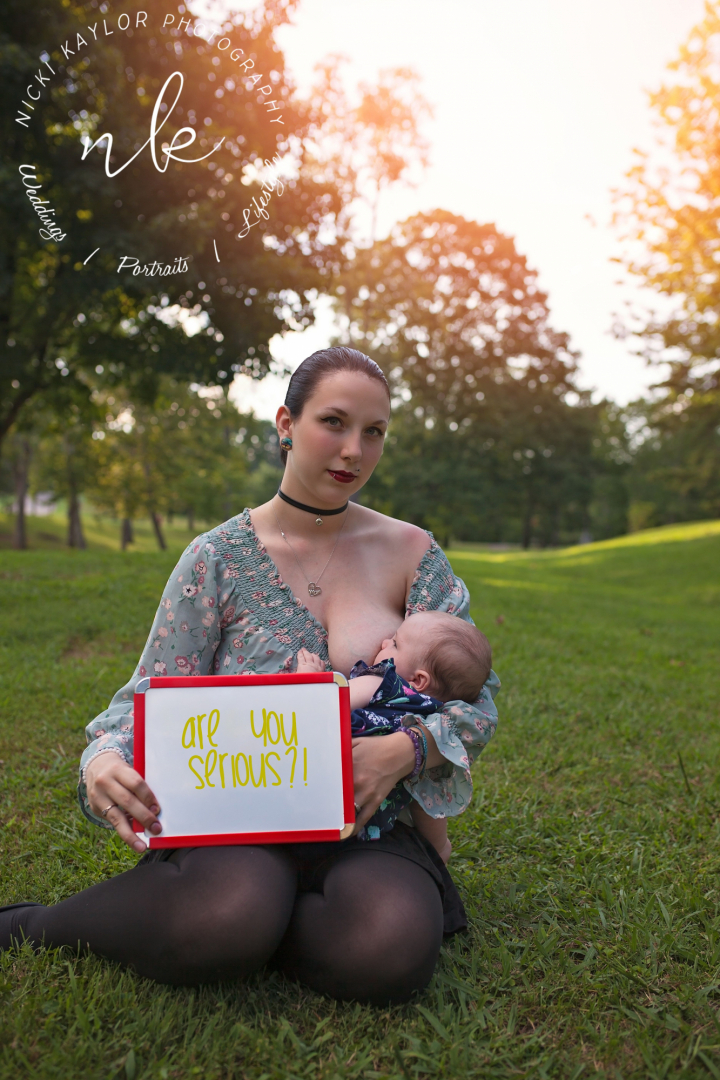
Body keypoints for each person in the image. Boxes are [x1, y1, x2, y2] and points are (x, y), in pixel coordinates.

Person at [0, 346, 500, 1004]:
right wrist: (102, 762)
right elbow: (143, 699)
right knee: (229, 909)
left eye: (374, 432)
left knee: (390, 948)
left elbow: (474, 698)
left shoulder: (411, 552)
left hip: (367, 828)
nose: (354, 450)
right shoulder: (215, 558)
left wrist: (404, 750)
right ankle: (36, 926)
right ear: (286, 423)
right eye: (334, 422)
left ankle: (252, 928)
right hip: (239, 820)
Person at [296, 610, 492, 862]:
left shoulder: (383, 683)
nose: (384, 642)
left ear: (418, 679)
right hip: (370, 827)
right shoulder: (430, 724)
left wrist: (309, 677)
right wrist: (440, 847)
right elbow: (427, 804)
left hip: (319, 787)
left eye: (396, 644)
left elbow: (325, 705)